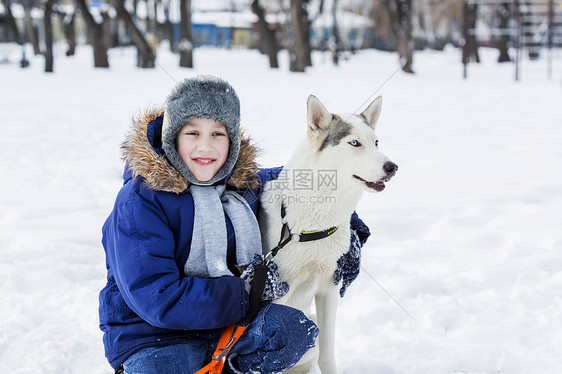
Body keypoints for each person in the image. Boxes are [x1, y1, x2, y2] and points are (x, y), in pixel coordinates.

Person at [99, 75, 370, 374]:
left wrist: (348, 230)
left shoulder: (243, 183)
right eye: (192, 133)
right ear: (172, 137)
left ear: (232, 141)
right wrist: (247, 292)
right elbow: (158, 300)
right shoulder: (140, 201)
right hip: (157, 339)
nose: (206, 147)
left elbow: (310, 180)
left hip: (226, 332)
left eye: (218, 134)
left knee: (294, 331)